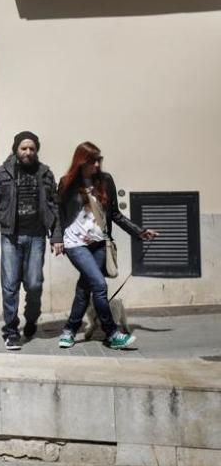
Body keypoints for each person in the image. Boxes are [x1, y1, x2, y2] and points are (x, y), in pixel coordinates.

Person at [56, 142, 158, 350]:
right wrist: (56, 239)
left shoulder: (105, 180)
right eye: (92, 161)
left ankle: (69, 330)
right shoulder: (66, 183)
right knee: (100, 285)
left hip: (100, 243)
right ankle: (112, 333)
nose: (96, 164)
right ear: (81, 162)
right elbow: (58, 214)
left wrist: (139, 231)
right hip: (75, 243)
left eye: (98, 160)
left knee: (86, 288)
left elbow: (115, 214)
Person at [0, 131, 63, 351]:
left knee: (35, 283)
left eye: (32, 148)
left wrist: (57, 236)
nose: (28, 152)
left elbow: (54, 206)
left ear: (36, 150)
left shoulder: (45, 173)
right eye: (23, 148)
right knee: (9, 286)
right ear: (16, 149)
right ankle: (10, 331)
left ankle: (31, 318)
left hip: (37, 236)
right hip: (10, 236)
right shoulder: (2, 174)